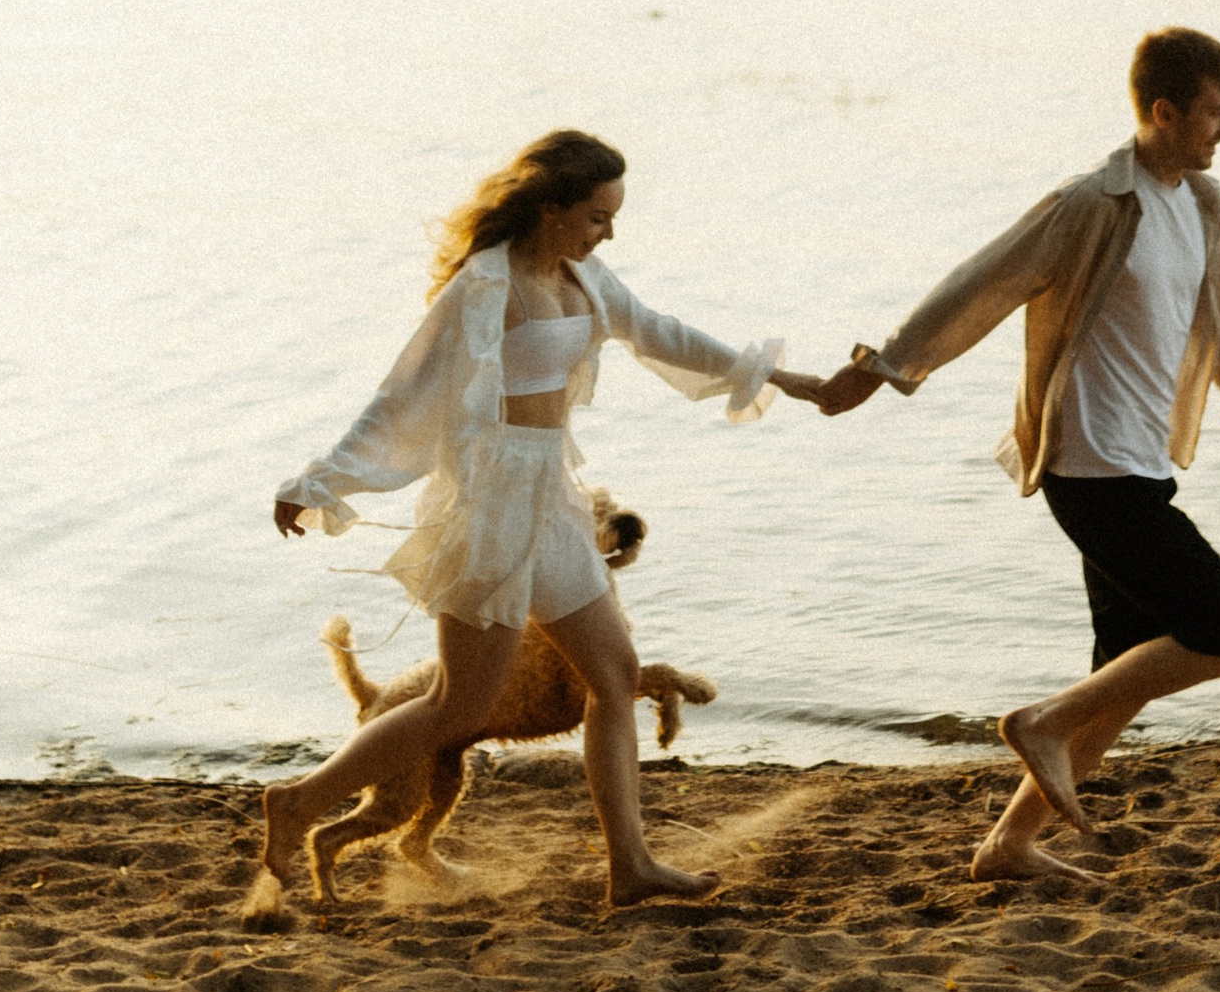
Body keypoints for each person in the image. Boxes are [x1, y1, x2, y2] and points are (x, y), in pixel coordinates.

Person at [257, 127, 828, 912]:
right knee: (457, 705)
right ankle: (298, 802)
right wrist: (318, 482)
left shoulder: (582, 277)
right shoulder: (483, 287)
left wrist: (781, 379)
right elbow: (404, 393)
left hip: (553, 497)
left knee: (614, 677)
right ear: (552, 208)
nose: (607, 234)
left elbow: (658, 331)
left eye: (612, 219)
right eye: (597, 217)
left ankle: (631, 866)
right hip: (491, 507)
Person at [816, 27, 1220, 883]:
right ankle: (1041, 723)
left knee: (1122, 677)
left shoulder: (1202, 201)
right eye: (1216, 111)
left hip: (1143, 461)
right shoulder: (1093, 203)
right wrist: (885, 367)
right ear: (1164, 111)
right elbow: (984, 280)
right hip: (1087, 464)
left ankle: (1008, 844)